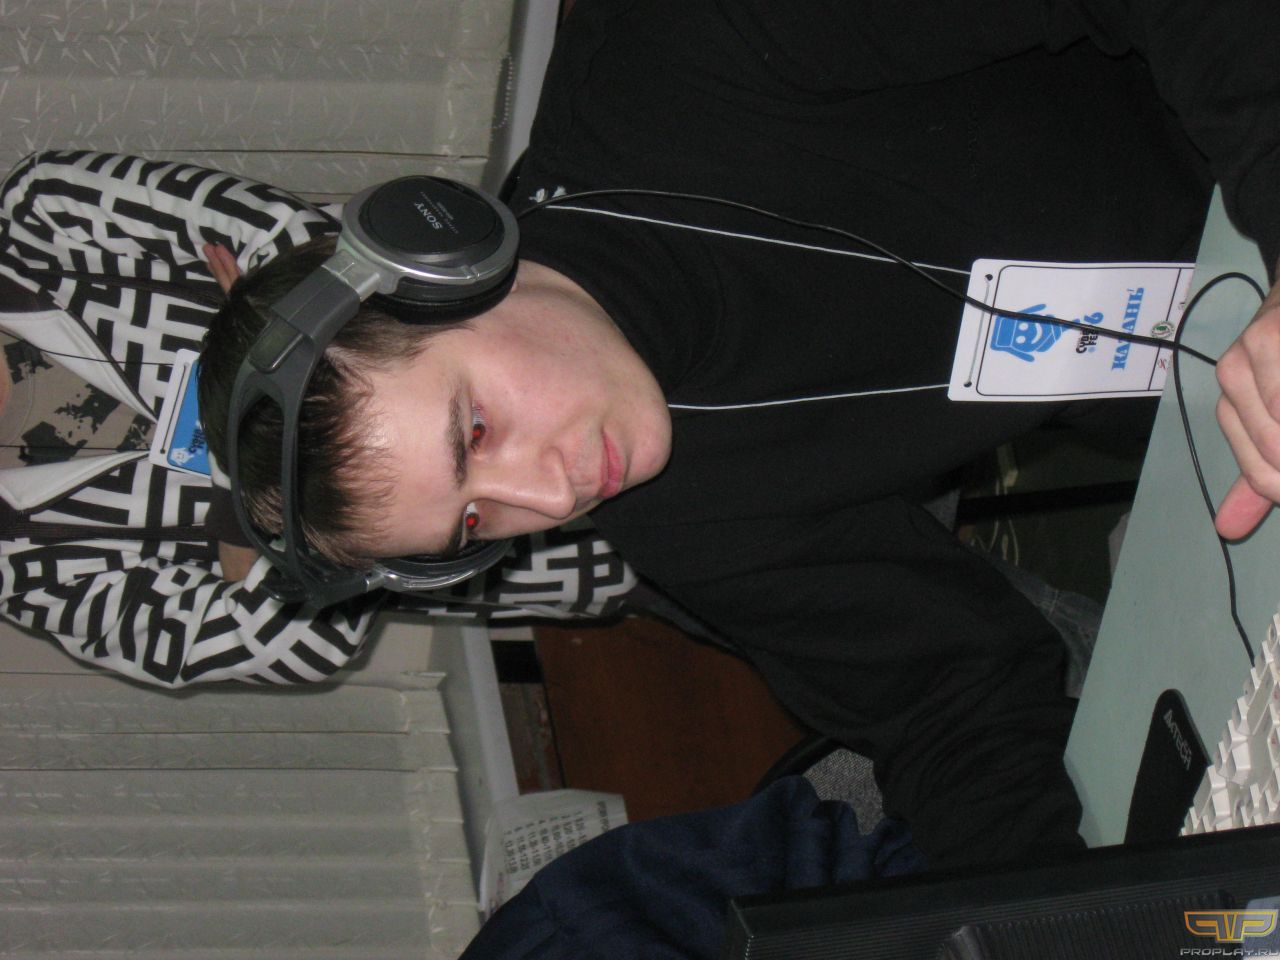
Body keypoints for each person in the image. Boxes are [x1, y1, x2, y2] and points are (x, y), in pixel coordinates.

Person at [199, 0, 1280, 869]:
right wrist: (1056, 922)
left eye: (475, 431)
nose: (552, 495)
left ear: (446, 264)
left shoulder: (682, 45)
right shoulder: (665, 509)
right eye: (476, 522)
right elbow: (943, 699)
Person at [0, 150, 638, 688]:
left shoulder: (39, 220)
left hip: (566, 345)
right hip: (551, 555)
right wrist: (250, 410)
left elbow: (319, 245)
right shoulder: (17, 567)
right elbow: (298, 643)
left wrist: (270, 535)